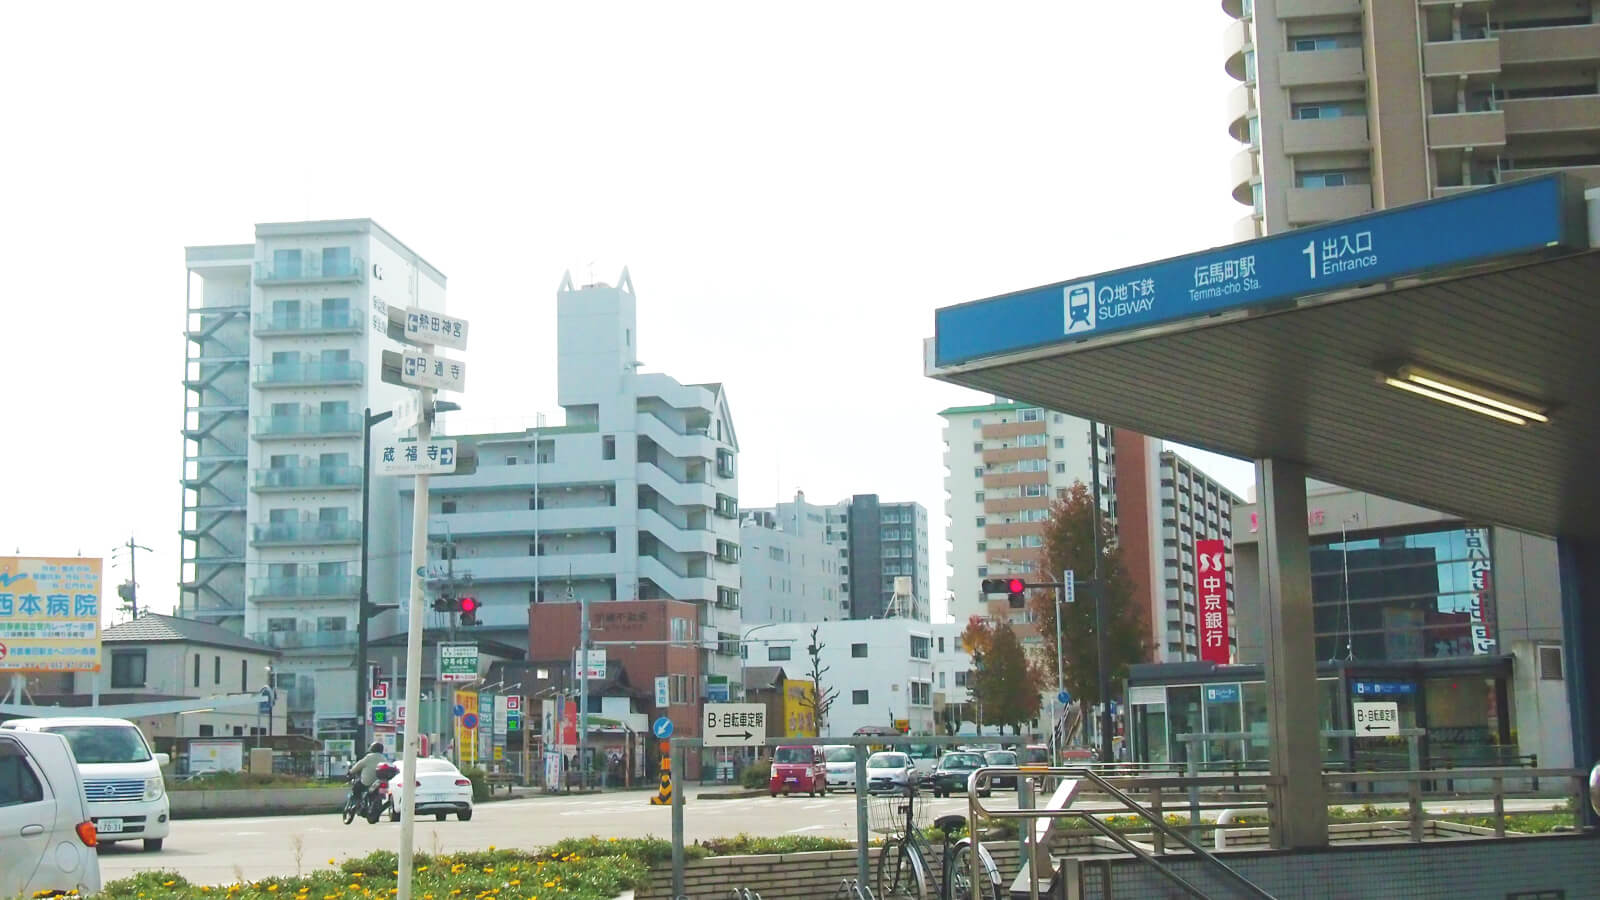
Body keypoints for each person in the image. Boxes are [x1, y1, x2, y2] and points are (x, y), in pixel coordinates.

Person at [348, 741, 388, 806]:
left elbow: (358, 766)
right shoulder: (384, 758)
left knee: (356, 787)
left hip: (368, 782)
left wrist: (350, 771)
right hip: (380, 782)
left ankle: (357, 802)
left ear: (372, 749)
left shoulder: (369, 757)